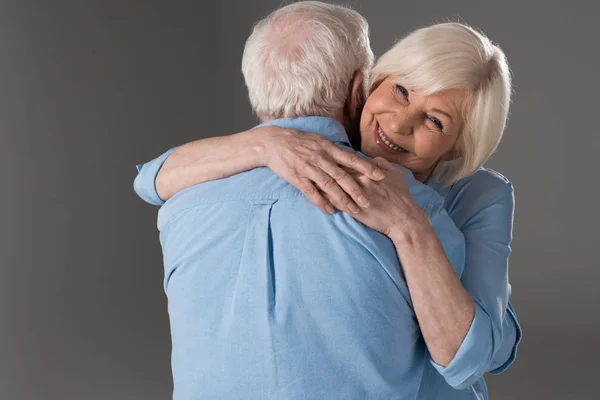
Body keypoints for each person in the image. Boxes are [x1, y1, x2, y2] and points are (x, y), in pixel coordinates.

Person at [135, 3, 523, 399]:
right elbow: (150, 180)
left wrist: (408, 224)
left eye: (435, 121)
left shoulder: (472, 197)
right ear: (368, 85)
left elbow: (479, 354)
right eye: (401, 91)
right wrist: (265, 142)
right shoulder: (301, 159)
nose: (400, 123)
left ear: (458, 148)